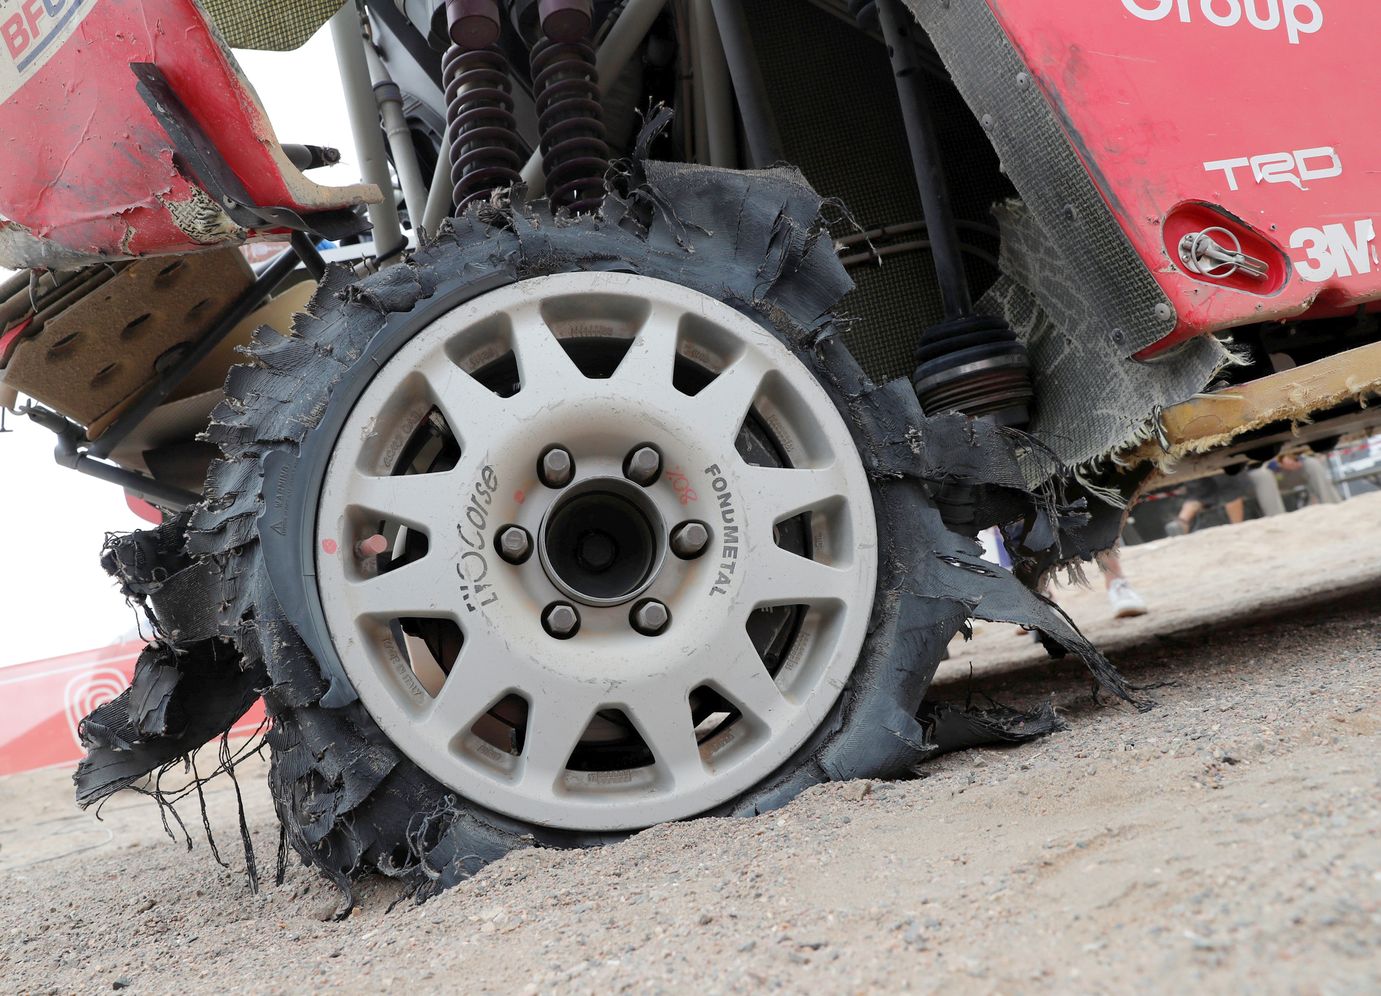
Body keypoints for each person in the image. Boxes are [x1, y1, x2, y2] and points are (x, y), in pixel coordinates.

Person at [1165, 471, 1251, 535]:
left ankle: (1182, 522)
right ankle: (1238, 527)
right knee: (1231, 488)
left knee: (1198, 493)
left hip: (1189, 456)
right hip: (1215, 452)